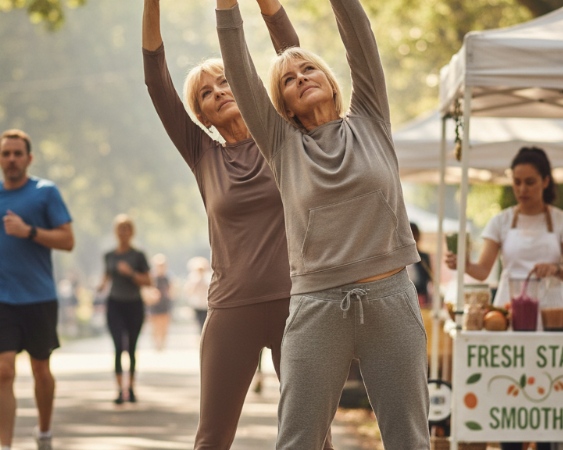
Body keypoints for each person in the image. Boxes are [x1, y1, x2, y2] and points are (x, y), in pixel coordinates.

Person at [216, 0, 430, 448]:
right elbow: (238, 70)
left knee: (409, 440)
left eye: (309, 69)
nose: (301, 78)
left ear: (332, 83)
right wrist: (226, 6)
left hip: (390, 297)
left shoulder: (371, 117)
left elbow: (359, 35)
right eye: (288, 80)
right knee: (297, 440)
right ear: (285, 107)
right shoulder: (281, 145)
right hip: (318, 306)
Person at [143, 1, 338, 448]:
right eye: (206, 94)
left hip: (299, 306)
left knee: (315, 438)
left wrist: (267, 6)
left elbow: (292, 54)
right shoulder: (201, 154)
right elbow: (156, 80)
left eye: (226, 81)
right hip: (232, 309)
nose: (218, 92)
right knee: (211, 438)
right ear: (202, 116)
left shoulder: (285, 134)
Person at [446, 146, 563, 450]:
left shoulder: (562, 220)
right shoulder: (501, 221)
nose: (522, 189)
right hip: (509, 314)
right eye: (517, 182)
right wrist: (462, 264)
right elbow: (482, 270)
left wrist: (556, 268)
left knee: (549, 390)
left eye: (530, 182)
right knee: (511, 390)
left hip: (551, 315)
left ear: (545, 181)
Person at [0, 129, 74, 450]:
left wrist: (28, 231)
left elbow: (67, 240)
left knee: (40, 370)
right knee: (4, 372)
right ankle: (5, 446)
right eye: (6, 153)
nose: (12, 159)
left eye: (18, 153)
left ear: (29, 158)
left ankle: (44, 433)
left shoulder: (45, 192)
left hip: (39, 296)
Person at [97, 214, 151, 405]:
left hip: (134, 304)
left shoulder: (138, 256)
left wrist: (131, 273)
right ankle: (120, 390)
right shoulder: (109, 256)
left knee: (132, 348)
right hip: (115, 304)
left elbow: (148, 281)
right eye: (120, 229)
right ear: (116, 232)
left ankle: (132, 388)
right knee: (119, 347)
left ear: (132, 232)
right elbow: (105, 278)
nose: (123, 233)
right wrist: (100, 287)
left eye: (127, 229)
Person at [147, 253, 172, 351]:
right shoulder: (151, 278)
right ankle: (156, 343)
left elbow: (172, 291)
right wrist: (152, 294)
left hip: (165, 304)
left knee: (164, 324)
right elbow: (147, 290)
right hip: (154, 305)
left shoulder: (168, 278)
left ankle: (162, 342)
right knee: (155, 325)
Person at [408, 223, 433, 307]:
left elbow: (429, 277)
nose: (413, 238)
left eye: (415, 234)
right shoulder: (400, 259)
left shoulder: (423, 257)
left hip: (421, 298)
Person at [182, 256, 211, 330]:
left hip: (206, 304)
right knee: (199, 323)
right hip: (197, 304)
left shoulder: (208, 277)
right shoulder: (193, 278)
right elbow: (189, 290)